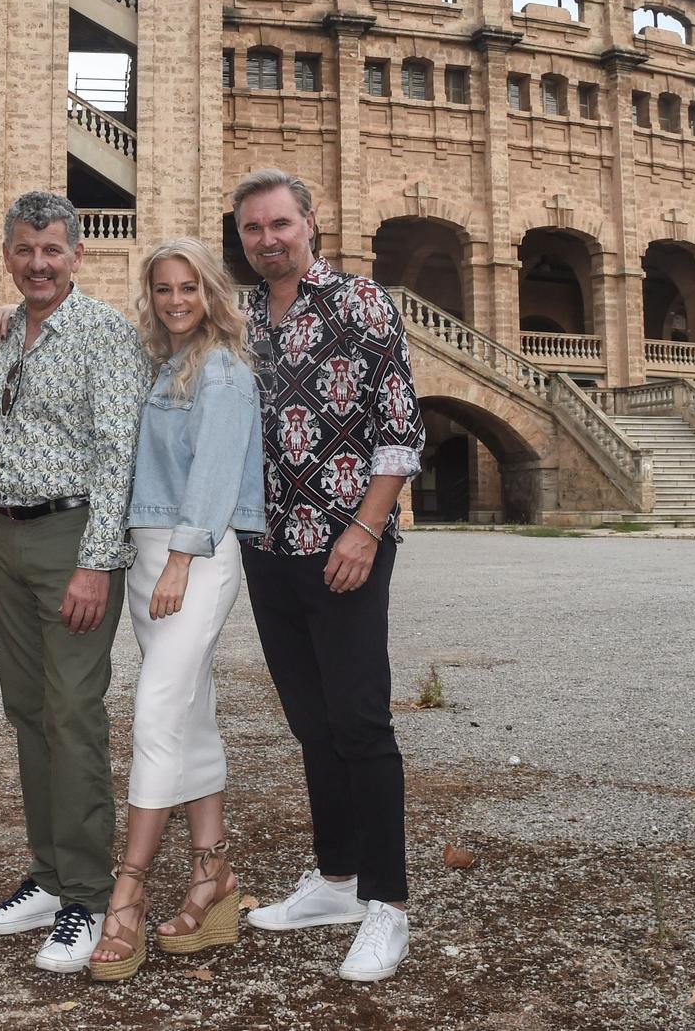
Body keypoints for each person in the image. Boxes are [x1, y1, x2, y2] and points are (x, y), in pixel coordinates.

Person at [232, 168, 426, 983]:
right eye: (253, 229)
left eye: (280, 223)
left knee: (359, 721)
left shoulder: (359, 302)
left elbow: (399, 426)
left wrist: (366, 528)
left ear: (310, 222)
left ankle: (388, 903)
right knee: (311, 723)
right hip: (267, 547)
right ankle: (337, 877)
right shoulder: (241, 318)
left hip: (345, 543)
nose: (268, 239)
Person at [0, 191, 150, 973]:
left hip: (74, 536)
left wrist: (96, 561)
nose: (38, 263)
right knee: (27, 709)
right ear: (8, 255)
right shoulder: (2, 337)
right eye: (25, 249)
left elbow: (119, 453)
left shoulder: (105, 333)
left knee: (73, 710)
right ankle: (47, 875)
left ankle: (87, 891)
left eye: (52, 250)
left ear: (77, 255)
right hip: (4, 536)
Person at [88, 238, 265, 982]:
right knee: (190, 709)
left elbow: (219, 472)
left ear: (210, 291)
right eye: (162, 288)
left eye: (187, 286)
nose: (174, 299)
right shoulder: (157, 361)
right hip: (147, 550)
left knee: (157, 706)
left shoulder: (224, 369)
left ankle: (127, 889)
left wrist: (186, 558)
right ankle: (211, 874)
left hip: (198, 550)